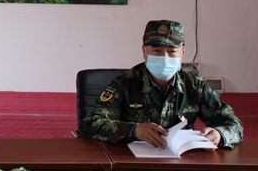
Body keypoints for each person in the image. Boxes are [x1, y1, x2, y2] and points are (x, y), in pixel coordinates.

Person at [81, 20, 243, 149]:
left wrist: (219, 134)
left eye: (172, 51)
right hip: (132, 159)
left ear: (182, 53)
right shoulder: (124, 83)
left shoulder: (194, 84)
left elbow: (233, 124)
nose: (165, 58)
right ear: (144, 52)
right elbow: (90, 124)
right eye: (157, 51)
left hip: (181, 159)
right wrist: (134, 130)